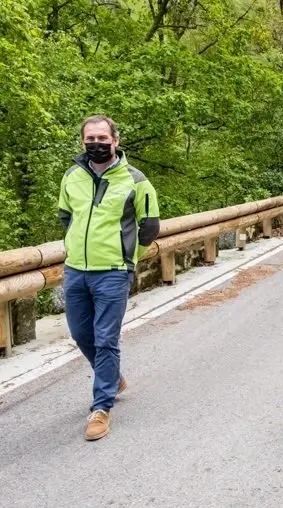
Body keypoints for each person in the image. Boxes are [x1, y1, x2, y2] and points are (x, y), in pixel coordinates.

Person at [58, 115, 160, 440]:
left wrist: (128, 257)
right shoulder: (72, 176)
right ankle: (114, 378)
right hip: (76, 270)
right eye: (91, 139)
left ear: (115, 140)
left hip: (113, 273)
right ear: (82, 142)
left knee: (105, 339)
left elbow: (150, 226)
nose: (97, 144)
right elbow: (65, 216)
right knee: (80, 333)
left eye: (103, 138)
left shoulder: (135, 180)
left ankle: (101, 408)